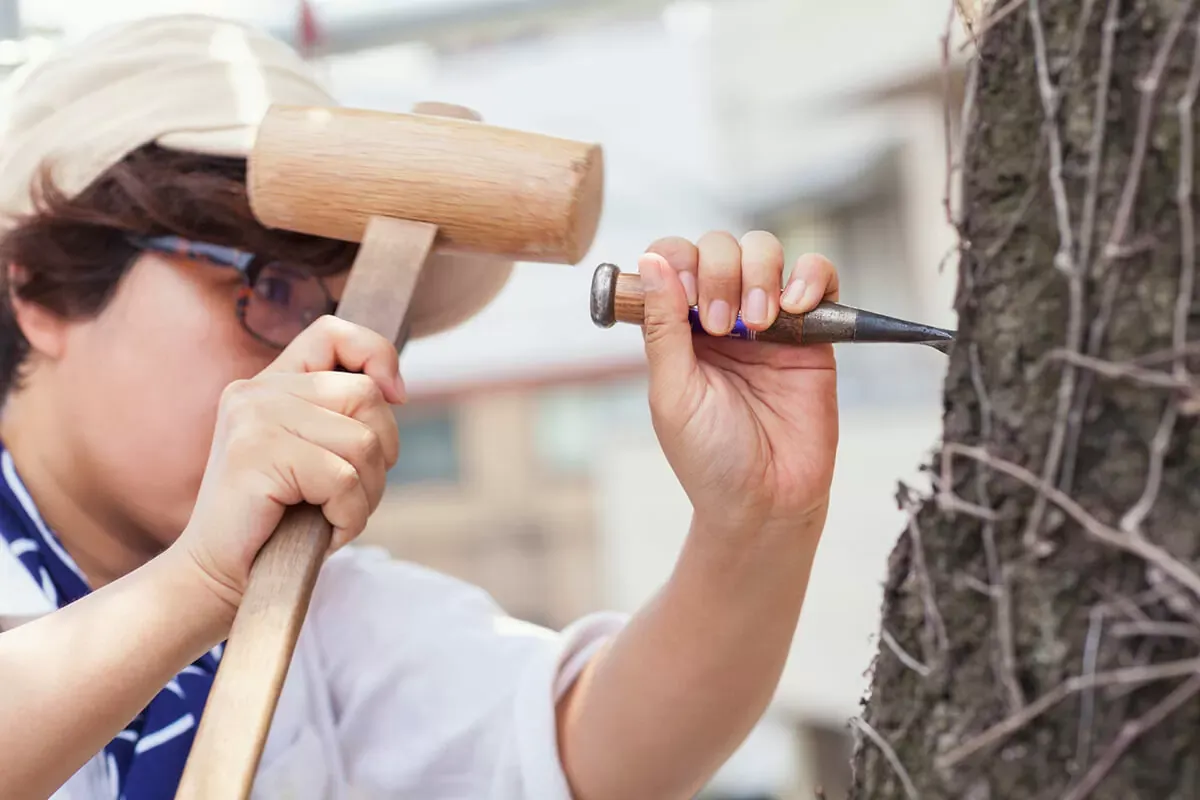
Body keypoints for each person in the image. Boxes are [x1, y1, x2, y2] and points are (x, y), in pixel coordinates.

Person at [0, 13, 840, 800]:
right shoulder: (228, 578)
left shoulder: (317, 605)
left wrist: (754, 524)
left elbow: (591, 751)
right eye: (270, 286)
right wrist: (199, 584)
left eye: (349, 314)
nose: (319, 356)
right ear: (41, 284)